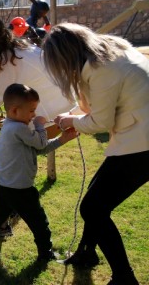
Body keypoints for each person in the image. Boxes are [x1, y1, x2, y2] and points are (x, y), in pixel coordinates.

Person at [44, 23, 149, 285]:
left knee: (93, 207)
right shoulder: (109, 51)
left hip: (143, 142)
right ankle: (87, 253)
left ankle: (124, 278)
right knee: (95, 199)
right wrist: (73, 117)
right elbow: (108, 105)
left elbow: (101, 121)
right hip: (138, 134)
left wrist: (71, 122)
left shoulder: (102, 69)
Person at [0, 84, 78, 261]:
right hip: (19, 188)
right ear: (15, 111)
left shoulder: (12, 125)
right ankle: (45, 253)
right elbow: (39, 143)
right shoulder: (19, 128)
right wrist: (39, 126)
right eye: (32, 111)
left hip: (1, 183)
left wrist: (62, 139)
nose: (34, 115)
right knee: (38, 221)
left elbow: (38, 149)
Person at [0, 16, 76, 139]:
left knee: (11, 151)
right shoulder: (18, 49)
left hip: (50, 118)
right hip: (66, 107)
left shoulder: (2, 60)